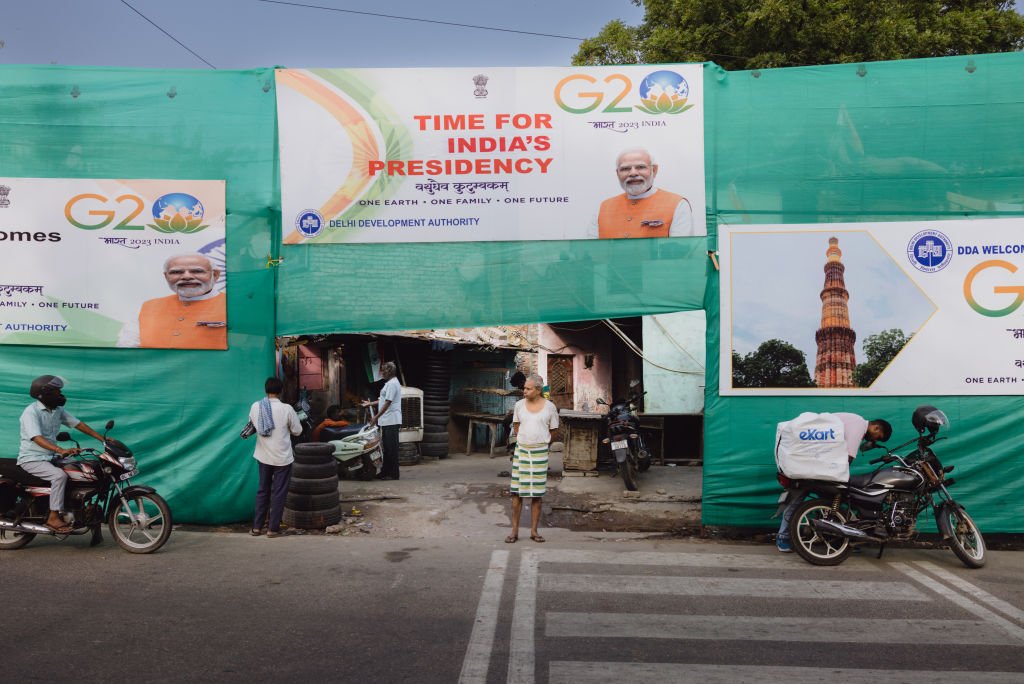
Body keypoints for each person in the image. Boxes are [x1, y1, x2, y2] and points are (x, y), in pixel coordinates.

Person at [776, 413, 893, 552]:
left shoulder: (853, 421)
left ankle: (843, 539)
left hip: (813, 464)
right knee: (799, 498)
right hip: (813, 467)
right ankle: (783, 537)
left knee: (829, 500)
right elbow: (849, 456)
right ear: (876, 428)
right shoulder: (859, 426)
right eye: (877, 437)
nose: (874, 441)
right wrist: (840, 474)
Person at [18, 375, 104, 533]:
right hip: (32, 459)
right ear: (46, 393)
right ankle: (53, 517)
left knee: (80, 468)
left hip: (51, 457)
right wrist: (60, 450)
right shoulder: (31, 412)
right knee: (59, 476)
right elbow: (36, 438)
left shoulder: (57, 410)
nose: (61, 395)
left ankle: (77, 511)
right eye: (57, 391)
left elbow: (77, 424)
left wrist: (102, 439)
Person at [118, 253, 227, 349]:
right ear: (166, 276)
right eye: (176, 272)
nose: (186, 276)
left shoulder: (233, 306)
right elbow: (127, 348)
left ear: (215, 275)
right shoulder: (148, 307)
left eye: (197, 271)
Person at [591, 148, 703, 239]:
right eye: (625, 169)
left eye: (640, 167)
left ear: (654, 170)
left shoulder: (678, 204)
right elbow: (590, 251)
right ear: (617, 173)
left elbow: (681, 252)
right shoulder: (603, 207)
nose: (633, 173)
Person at [506, 373, 560, 544]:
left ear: (537, 390)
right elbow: (516, 427)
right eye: (524, 388)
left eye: (528, 389)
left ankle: (534, 531)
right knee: (516, 493)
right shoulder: (519, 406)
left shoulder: (550, 407)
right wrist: (524, 440)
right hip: (522, 452)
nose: (524, 391)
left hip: (540, 453)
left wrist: (542, 444)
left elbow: (554, 431)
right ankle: (514, 531)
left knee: (536, 495)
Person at [249, 376, 301, 538]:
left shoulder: (256, 406)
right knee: (279, 493)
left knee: (262, 490)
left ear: (266, 390)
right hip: (282, 458)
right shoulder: (287, 409)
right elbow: (297, 431)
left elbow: (252, 424)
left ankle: (257, 527)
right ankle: (272, 529)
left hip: (263, 455)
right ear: (281, 391)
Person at [363, 361, 402, 480]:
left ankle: (393, 474)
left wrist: (376, 417)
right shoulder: (390, 383)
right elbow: (383, 400)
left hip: (391, 420)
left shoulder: (392, 384)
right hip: (387, 421)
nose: (382, 373)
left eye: (384, 370)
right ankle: (386, 472)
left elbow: (387, 403)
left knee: (391, 449)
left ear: (389, 371)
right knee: (387, 448)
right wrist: (370, 403)